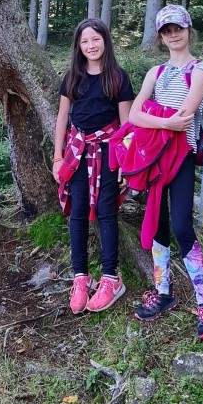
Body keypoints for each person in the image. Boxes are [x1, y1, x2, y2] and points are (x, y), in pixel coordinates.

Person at [128, 4, 203, 340]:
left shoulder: (201, 70)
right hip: (155, 158)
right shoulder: (155, 72)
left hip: (181, 157)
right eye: (166, 31)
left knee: (181, 226)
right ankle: (163, 292)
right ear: (160, 37)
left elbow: (186, 115)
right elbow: (133, 115)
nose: (173, 35)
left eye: (178, 28)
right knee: (157, 224)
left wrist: (154, 116)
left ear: (188, 30)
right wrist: (165, 122)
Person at [53, 19, 134, 314]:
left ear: (105, 42)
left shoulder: (118, 78)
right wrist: (58, 157)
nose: (91, 45)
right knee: (77, 210)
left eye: (96, 39)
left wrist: (126, 162)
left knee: (104, 209)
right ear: (78, 46)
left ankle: (111, 278)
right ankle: (80, 276)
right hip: (77, 151)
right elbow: (62, 118)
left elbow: (127, 125)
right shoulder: (72, 78)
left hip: (109, 151)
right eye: (85, 41)